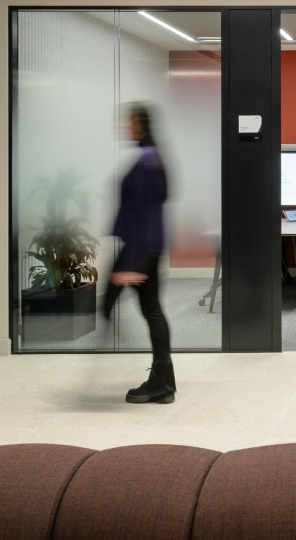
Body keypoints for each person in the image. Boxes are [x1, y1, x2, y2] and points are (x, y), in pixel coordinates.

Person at [102, 102, 176, 404]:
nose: (124, 126)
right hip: (143, 247)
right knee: (151, 311)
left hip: (141, 248)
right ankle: (163, 383)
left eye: (129, 121)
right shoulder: (150, 157)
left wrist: (132, 263)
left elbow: (145, 214)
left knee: (151, 312)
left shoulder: (147, 161)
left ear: (141, 124)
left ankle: (162, 383)